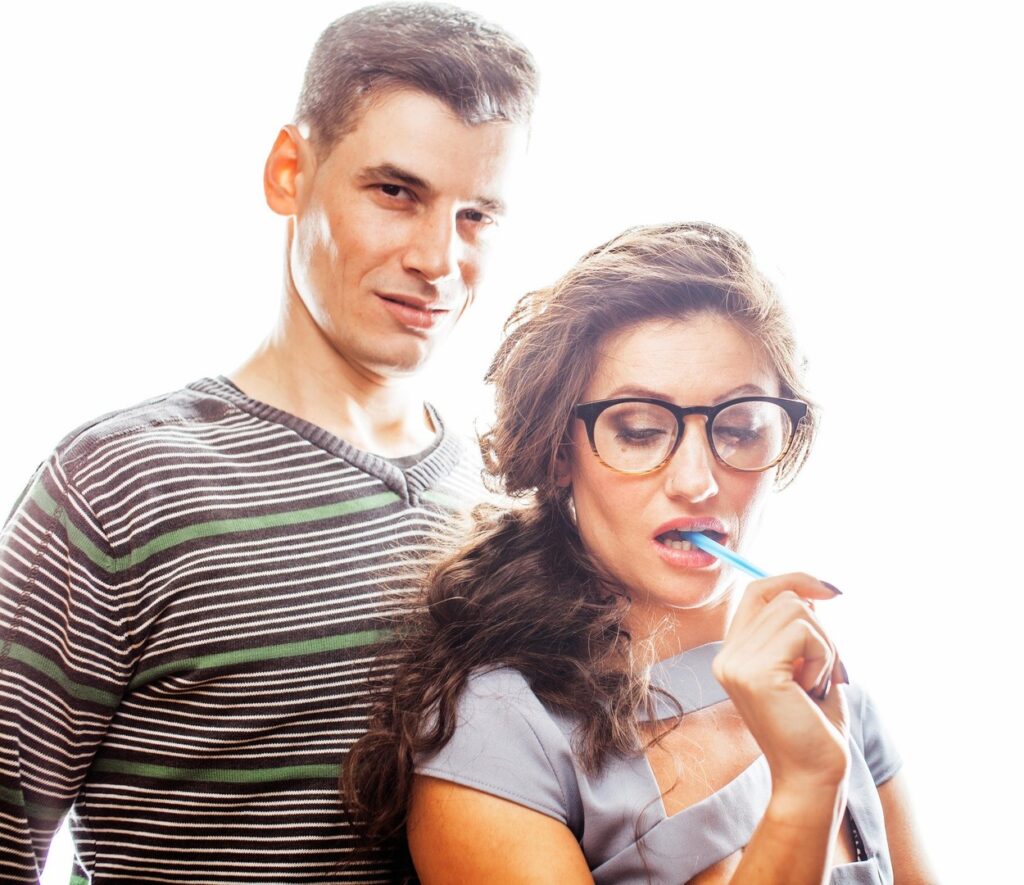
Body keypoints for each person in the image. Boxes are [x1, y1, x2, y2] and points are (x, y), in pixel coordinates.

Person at [0, 4, 536, 883]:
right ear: (290, 171)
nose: (439, 259)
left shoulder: (505, 500)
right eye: (396, 193)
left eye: (476, 214)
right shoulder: (118, 485)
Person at [344, 222, 936, 883]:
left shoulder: (833, 702)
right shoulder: (499, 735)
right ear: (559, 452)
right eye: (640, 430)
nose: (697, 481)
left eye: (741, 428)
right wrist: (803, 789)